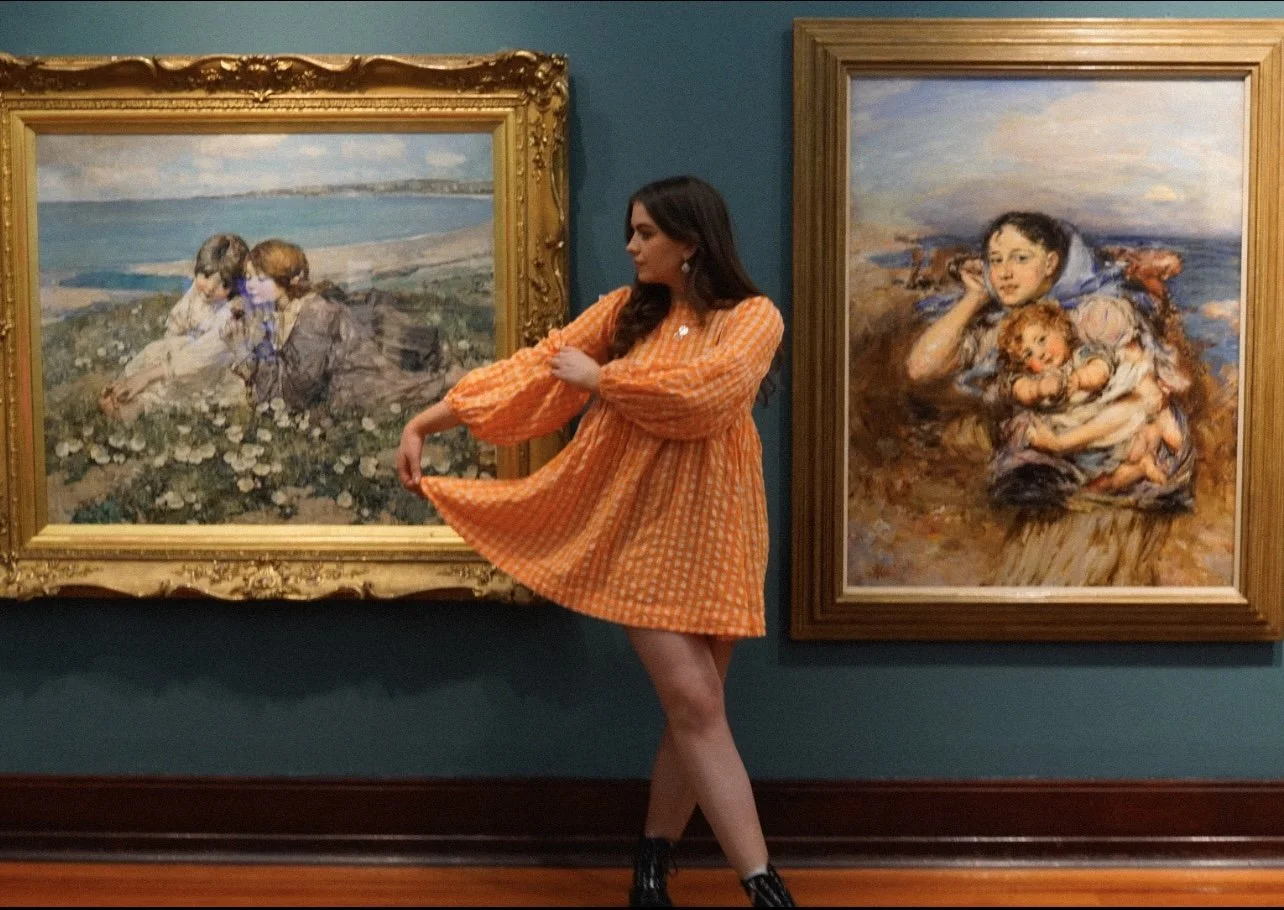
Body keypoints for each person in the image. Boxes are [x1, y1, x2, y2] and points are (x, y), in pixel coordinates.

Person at [395, 176, 795, 907]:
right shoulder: (624, 313)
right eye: (631, 231)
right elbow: (530, 371)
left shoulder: (753, 318)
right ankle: (764, 887)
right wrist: (425, 421)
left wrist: (603, 381)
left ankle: (650, 866)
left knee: (695, 709)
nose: (631, 246)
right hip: (634, 526)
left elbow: (712, 396)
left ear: (691, 241)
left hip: (719, 527)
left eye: (645, 233)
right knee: (699, 704)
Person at [236, 239, 460, 414]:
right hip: (335, 387)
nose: (250, 285)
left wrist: (249, 357)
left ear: (286, 280)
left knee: (434, 387)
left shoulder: (315, 313)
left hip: (359, 384)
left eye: (261, 279)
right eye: (248, 278)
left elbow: (298, 392)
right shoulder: (277, 312)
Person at [994, 300, 1186, 494]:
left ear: (1060, 329)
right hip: (1078, 436)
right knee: (1099, 480)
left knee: (1140, 424)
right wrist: (1040, 388)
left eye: (1042, 340)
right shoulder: (1033, 378)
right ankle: (1138, 468)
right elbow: (1023, 391)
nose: (1040, 354)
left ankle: (1149, 456)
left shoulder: (1081, 354)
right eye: (1028, 354)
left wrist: (1079, 379)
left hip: (1103, 416)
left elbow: (1100, 370)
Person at [99, 233, 257, 422]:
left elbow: (202, 355)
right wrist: (161, 354)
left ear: (235, 286)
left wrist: (150, 375)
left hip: (215, 368)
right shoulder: (199, 292)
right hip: (184, 356)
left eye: (223, 284)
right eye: (205, 276)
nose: (209, 288)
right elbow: (179, 319)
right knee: (156, 353)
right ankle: (123, 390)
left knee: (178, 384)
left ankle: (136, 407)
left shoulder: (234, 313)